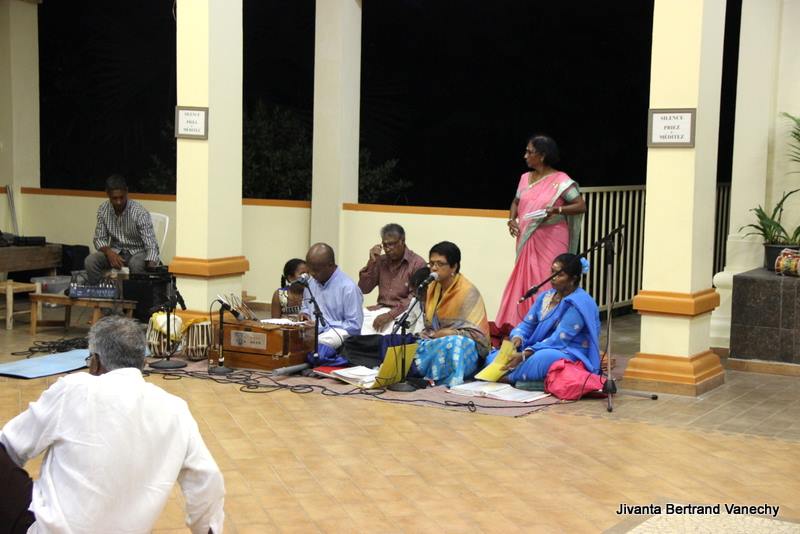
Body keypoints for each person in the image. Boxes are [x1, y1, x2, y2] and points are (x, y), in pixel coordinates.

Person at [0, 316, 225, 534]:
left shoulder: (74, 389)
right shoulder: (176, 409)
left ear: (95, 362)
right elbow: (208, 480)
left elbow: (10, 444)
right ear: (143, 362)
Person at [495, 135, 586, 329]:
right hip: (527, 238)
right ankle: (524, 326)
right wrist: (511, 219)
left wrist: (557, 210)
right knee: (525, 281)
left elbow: (580, 205)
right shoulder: (524, 178)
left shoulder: (561, 181)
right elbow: (516, 202)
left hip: (552, 237)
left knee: (548, 279)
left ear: (542, 156)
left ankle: (552, 326)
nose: (525, 155)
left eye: (529, 152)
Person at [485, 253, 601, 384]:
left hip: (567, 350)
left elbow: (558, 340)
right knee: (493, 358)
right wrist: (518, 337)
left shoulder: (579, 303)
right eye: (552, 272)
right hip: (537, 346)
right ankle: (525, 375)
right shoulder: (546, 296)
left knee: (543, 358)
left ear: (573, 279)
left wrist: (525, 354)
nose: (553, 278)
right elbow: (527, 325)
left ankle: (510, 377)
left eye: (559, 275)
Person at [411, 241, 490, 387]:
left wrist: (451, 333)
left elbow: (480, 338)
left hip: (465, 349)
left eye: (440, 264)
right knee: (408, 343)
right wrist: (432, 335)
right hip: (436, 341)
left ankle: (449, 379)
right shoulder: (431, 288)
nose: (434, 268)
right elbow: (430, 328)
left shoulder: (467, 292)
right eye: (431, 263)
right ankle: (426, 376)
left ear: (454, 266)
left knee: (453, 343)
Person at [85, 174, 161, 284]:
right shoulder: (103, 210)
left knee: (135, 263)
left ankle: (135, 297)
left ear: (127, 192)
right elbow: (99, 239)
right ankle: (101, 293)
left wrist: (152, 264)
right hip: (116, 252)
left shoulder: (139, 212)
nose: (119, 202)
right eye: (114, 198)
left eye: (121, 197)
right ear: (108, 194)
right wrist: (109, 252)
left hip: (138, 253)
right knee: (90, 261)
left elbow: (151, 245)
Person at [358, 223, 426, 335]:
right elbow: (364, 289)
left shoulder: (417, 263)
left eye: (392, 244)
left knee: (384, 338)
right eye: (385, 245)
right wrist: (371, 262)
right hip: (380, 309)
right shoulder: (381, 261)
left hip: (403, 313)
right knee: (355, 326)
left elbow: (414, 298)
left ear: (402, 241)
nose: (388, 249)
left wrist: (390, 315)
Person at [300, 242, 364, 349]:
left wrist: (321, 324)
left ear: (330, 265)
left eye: (316, 270)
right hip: (312, 331)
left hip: (336, 335)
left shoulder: (348, 288)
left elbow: (354, 326)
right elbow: (306, 306)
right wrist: (304, 314)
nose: (312, 274)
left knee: (320, 343)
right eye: (310, 270)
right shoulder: (311, 282)